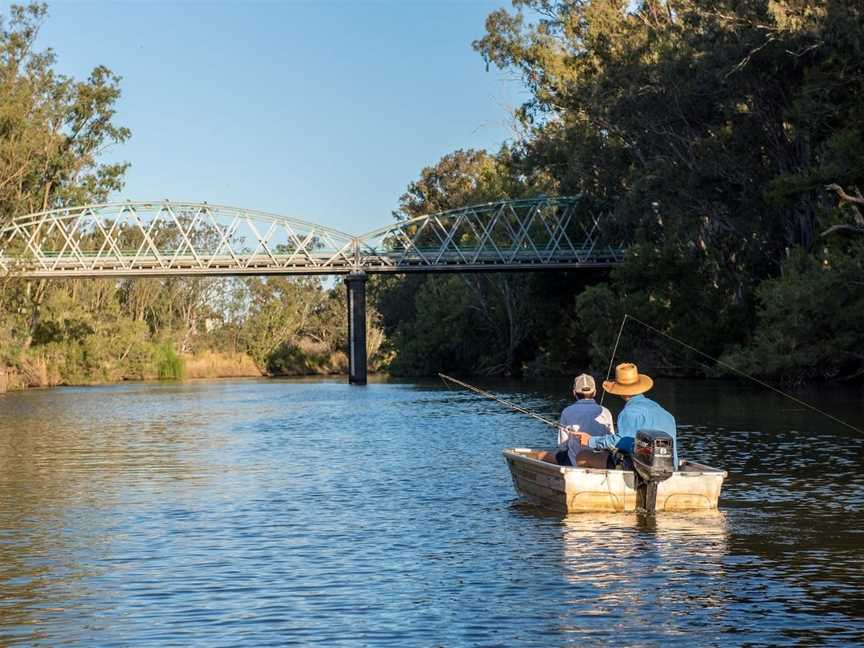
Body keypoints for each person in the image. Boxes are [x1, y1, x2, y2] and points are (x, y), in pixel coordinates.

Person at [593, 362, 679, 468]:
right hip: (671, 469)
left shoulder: (628, 412)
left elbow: (621, 442)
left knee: (583, 456)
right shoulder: (666, 414)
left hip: (640, 470)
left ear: (620, 390)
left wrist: (591, 441)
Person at [541, 374, 614, 468]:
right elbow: (611, 442)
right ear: (595, 392)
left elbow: (562, 445)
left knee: (541, 455)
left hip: (573, 462)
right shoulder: (606, 412)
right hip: (600, 463)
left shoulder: (567, 411)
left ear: (574, 393)